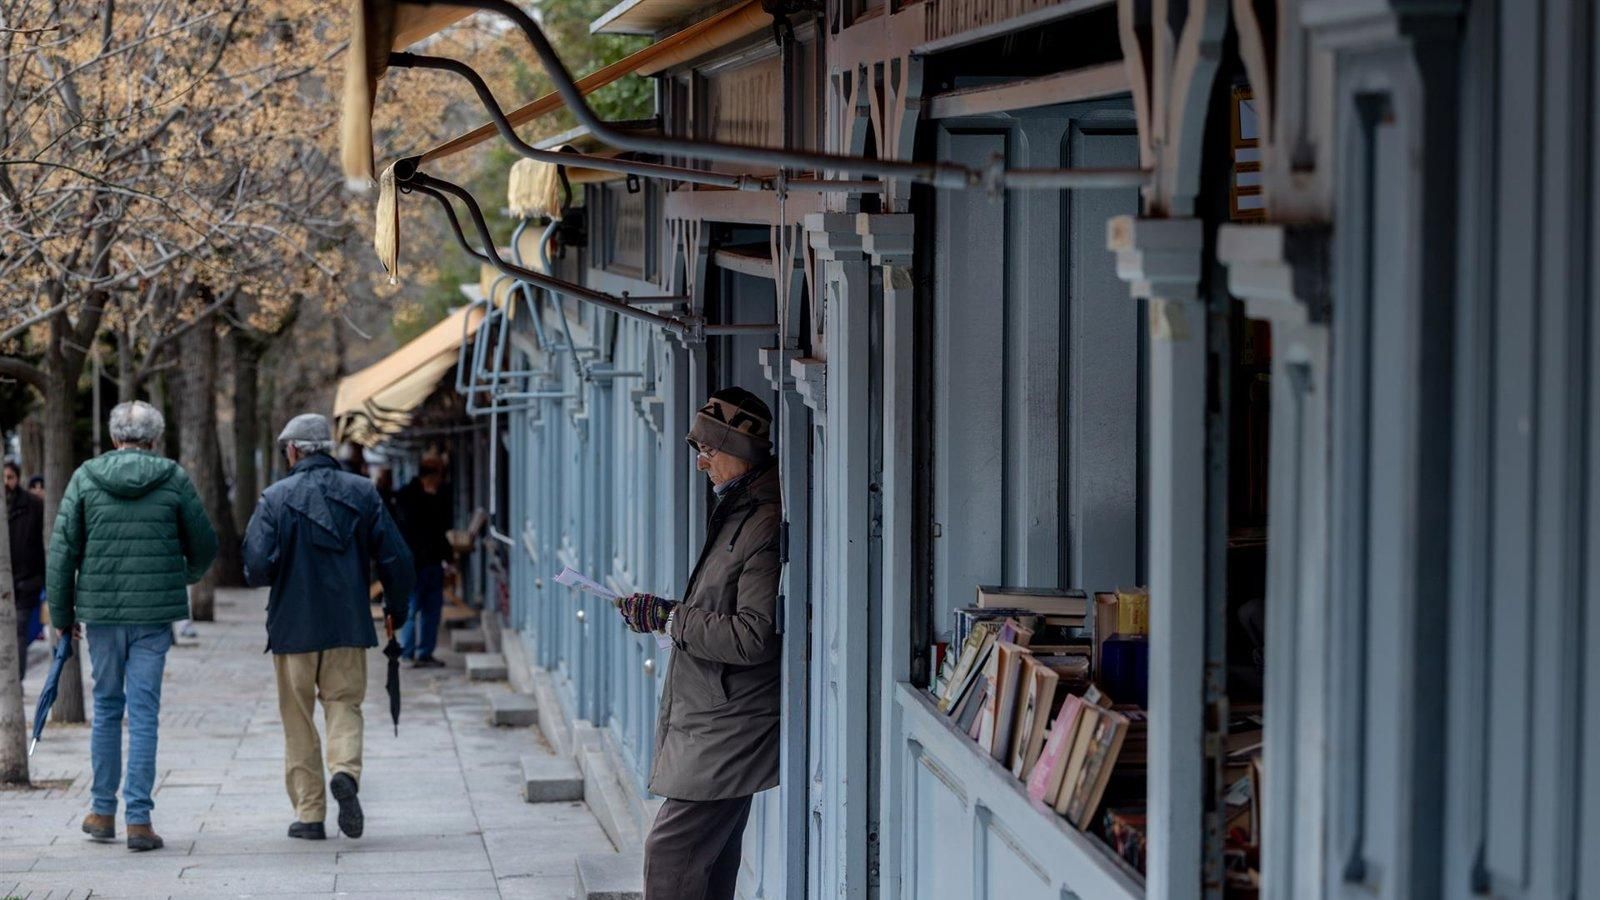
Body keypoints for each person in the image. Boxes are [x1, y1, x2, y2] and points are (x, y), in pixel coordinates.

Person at [615, 387, 783, 900]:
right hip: (714, 714)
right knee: (709, 867)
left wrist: (671, 618)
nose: (701, 464)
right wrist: (668, 615)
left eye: (709, 451)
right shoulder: (737, 510)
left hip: (730, 723)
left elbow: (754, 635)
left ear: (742, 452)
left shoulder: (762, 522)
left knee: (670, 857)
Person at [47, 401, 218, 852]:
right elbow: (205, 543)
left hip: (101, 615)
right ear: (154, 439)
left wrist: (62, 617)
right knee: (143, 714)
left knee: (106, 709)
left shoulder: (86, 477)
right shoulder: (173, 477)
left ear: (113, 436)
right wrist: (178, 576)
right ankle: (139, 820)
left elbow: (63, 551)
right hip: (152, 619)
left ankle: (102, 812)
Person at [242, 414, 414, 841]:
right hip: (347, 625)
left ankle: (310, 813)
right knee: (344, 704)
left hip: (292, 628)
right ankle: (345, 773)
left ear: (295, 450)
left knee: (297, 718)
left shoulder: (275, 498)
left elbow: (257, 568)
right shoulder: (363, 493)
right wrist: (397, 608)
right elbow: (397, 558)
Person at [393, 454, 453, 668]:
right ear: (431, 475)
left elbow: (440, 531)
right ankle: (409, 652)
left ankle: (423, 652)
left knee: (431, 609)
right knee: (414, 608)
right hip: (416, 564)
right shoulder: (409, 498)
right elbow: (422, 532)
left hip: (431, 562)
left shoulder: (429, 497)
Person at [5, 460, 45, 678]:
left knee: (19, 631)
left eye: (10, 477)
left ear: (18, 478)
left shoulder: (33, 506)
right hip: (6, 580)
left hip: (26, 580)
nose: (6, 482)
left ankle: (15, 681)